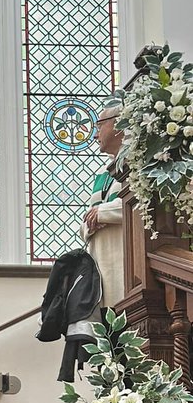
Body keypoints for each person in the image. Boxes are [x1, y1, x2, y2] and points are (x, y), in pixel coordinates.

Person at [81, 103, 124, 308]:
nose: (95, 135)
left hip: (125, 263)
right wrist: (89, 223)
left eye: (99, 127)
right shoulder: (103, 173)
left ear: (118, 126)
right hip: (100, 262)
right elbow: (88, 217)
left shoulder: (141, 161)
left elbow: (143, 205)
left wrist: (102, 213)